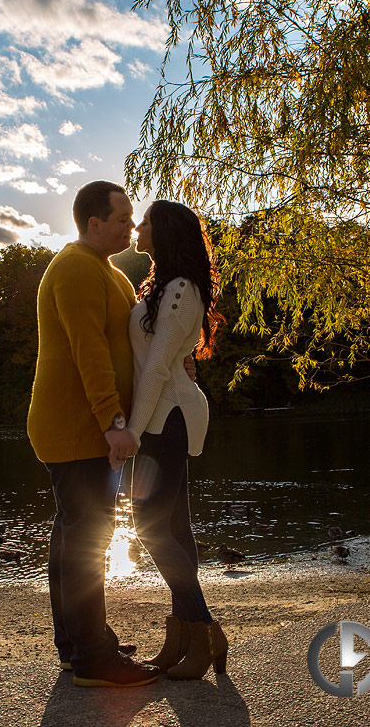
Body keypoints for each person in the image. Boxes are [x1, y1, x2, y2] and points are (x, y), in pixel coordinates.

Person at [26, 180, 160, 688]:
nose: (130, 226)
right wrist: (114, 423)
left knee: (73, 535)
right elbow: (90, 352)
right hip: (77, 428)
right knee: (88, 538)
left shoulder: (107, 271)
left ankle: (79, 644)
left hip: (82, 428)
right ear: (94, 222)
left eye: (131, 219)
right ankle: (92, 660)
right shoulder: (77, 269)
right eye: (122, 218)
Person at [122, 199, 228, 680]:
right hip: (158, 417)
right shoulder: (163, 286)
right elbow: (156, 358)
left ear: (162, 232)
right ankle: (183, 634)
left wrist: (132, 431)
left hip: (164, 419)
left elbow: (161, 367)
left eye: (144, 221)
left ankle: (204, 629)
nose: (137, 227)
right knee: (176, 529)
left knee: (148, 525)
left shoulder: (181, 289)